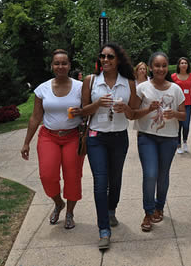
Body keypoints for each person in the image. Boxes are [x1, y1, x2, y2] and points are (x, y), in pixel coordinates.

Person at [75, 42, 136, 250]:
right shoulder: (91, 81)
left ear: (118, 59)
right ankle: (103, 229)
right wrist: (97, 104)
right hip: (96, 138)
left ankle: (111, 210)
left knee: (115, 179)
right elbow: (83, 111)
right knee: (100, 182)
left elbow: (134, 113)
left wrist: (125, 108)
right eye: (102, 56)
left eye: (110, 57)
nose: (105, 60)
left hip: (119, 137)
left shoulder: (128, 82)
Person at [21, 49, 84, 230]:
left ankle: (70, 212)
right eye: (57, 63)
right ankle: (58, 203)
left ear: (69, 65)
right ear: (52, 66)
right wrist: (26, 142)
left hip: (72, 137)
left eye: (64, 63)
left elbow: (88, 110)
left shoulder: (80, 87)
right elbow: (35, 117)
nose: (60, 66)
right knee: (47, 175)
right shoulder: (42, 89)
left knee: (73, 177)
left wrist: (83, 113)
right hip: (49, 137)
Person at [132, 52, 186, 232]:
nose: (160, 69)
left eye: (164, 66)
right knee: (150, 174)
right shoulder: (142, 88)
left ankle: (159, 206)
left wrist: (175, 114)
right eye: (157, 66)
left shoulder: (175, 89)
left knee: (162, 175)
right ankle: (148, 212)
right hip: (147, 136)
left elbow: (183, 115)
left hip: (169, 138)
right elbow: (133, 114)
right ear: (150, 67)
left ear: (168, 67)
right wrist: (148, 109)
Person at [171, 57, 191, 154]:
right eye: (182, 63)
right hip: (176, 105)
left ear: (188, 65)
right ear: (178, 65)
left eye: (185, 63)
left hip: (187, 104)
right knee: (178, 125)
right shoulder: (173, 76)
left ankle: (185, 141)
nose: (184, 64)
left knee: (186, 125)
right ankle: (178, 144)